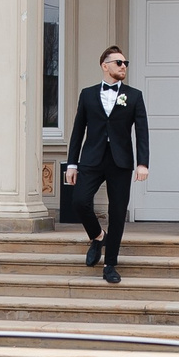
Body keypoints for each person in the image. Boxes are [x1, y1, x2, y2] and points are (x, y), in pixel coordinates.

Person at [63, 44, 150, 283]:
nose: (124, 67)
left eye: (125, 63)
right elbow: (77, 130)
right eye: (119, 63)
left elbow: (142, 132)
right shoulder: (87, 94)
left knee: (117, 211)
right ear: (105, 66)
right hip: (91, 159)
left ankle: (110, 264)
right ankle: (98, 236)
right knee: (79, 201)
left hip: (121, 162)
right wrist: (72, 164)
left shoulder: (134, 96)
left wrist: (143, 163)